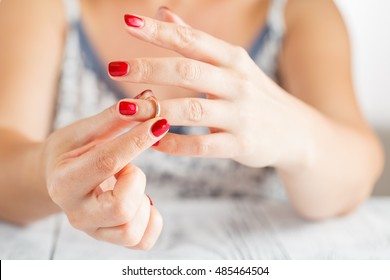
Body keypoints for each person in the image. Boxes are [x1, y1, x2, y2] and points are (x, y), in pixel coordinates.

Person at [0, 0, 384, 250]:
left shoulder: (299, 12)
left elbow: (357, 172)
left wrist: (300, 138)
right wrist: (47, 169)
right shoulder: (40, 7)